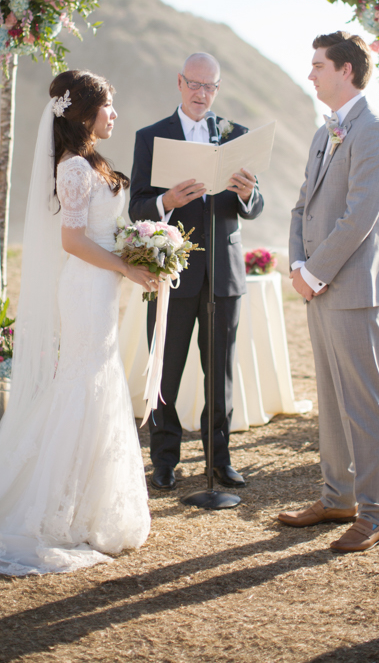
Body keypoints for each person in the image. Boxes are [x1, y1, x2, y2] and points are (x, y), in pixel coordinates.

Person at [0, 70, 153, 575]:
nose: (114, 114)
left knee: (96, 380)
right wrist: (126, 266)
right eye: (108, 105)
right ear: (85, 112)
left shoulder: (92, 162)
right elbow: (73, 241)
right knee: (83, 383)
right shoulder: (73, 168)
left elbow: (105, 229)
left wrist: (143, 247)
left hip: (101, 286)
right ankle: (58, 507)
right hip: (85, 287)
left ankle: (88, 501)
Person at [278, 32, 379, 553]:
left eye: (318, 65)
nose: (311, 74)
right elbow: (301, 207)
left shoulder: (376, 133)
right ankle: (338, 497)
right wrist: (297, 265)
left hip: (352, 288)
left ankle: (375, 514)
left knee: (364, 403)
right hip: (319, 284)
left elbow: (358, 220)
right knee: (329, 399)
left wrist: (316, 272)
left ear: (346, 70)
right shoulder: (322, 132)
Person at [129, 52, 264, 491]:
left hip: (224, 275)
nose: (202, 94)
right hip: (173, 275)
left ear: (217, 90)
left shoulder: (235, 136)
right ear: (180, 83)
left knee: (219, 373)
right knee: (165, 371)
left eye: (211, 87)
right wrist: (167, 201)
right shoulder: (151, 137)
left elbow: (255, 207)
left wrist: (248, 195)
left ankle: (219, 460)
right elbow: (136, 208)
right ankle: (164, 460)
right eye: (195, 84)